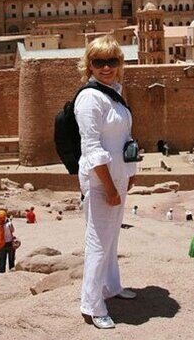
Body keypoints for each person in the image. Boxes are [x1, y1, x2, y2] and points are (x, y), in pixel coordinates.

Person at [74, 35, 138, 330]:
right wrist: (110, 188)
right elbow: (92, 149)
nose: (106, 67)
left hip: (118, 177)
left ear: (119, 64)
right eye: (99, 62)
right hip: (100, 182)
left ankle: (111, 287)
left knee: (111, 238)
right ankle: (92, 304)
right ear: (89, 65)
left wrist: (130, 171)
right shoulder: (90, 98)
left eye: (112, 61)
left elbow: (123, 139)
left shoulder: (114, 93)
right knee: (98, 243)